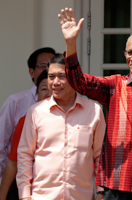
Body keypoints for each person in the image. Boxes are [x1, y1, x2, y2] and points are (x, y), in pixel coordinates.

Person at [58, 8, 132, 199]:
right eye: (129, 52)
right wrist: (70, 43)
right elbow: (79, 82)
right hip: (119, 182)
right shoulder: (115, 85)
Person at [16, 54, 106, 200]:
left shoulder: (94, 111)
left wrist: (101, 192)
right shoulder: (36, 112)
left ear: (74, 78)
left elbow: (101, 156)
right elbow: (25, 156)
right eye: (51, 76)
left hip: (81, 196)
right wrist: (25, 195)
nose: (55, 82)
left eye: (61, 76)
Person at [0, 47, 55, 184]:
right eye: (43, 66)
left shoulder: (66, 105)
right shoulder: (16, 102)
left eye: (53, 65)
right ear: (32, 72)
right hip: (18, 182)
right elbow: (1, 145)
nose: (49, 70)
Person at [0, 70, 51, 200]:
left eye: (54, 88)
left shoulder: (75, 122)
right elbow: (13, 163)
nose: (48, 94)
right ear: (37, 95)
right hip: (25, 190)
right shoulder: (26, 121)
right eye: (44, 89)